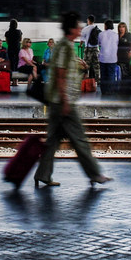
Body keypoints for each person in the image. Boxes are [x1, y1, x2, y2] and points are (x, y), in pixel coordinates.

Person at [34, 11, 112, 188]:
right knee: (80, 139)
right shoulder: (66, 47)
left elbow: (66, 72)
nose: (80, 29)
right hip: (63, 102)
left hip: (57, 101)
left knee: (53, 141)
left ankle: (42, 174)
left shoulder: (65, 45)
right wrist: (66, 102)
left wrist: (81, 68)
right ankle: (95, 174)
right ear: (71, 29)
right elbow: (61, 76)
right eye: (78, 27)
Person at [97, 19, 120, 96]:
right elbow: (116, 44)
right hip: (112, 59)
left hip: (103, 58)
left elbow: (99, 44)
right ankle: (110, 91)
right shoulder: (116, 35)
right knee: (111, 75)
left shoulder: (101, 34)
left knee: (103, 75)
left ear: (106, 26)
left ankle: (104, 91)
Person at [79, 15, 100, 84]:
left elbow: (82, 40)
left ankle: (85, 80)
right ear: (93, 21)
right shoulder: (97, 28)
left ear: (88, 20)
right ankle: (98, 79)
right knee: (96, 65)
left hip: (88, 49)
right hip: (96, 48)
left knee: (86, 65)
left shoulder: (85, 29)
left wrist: (80, 45)